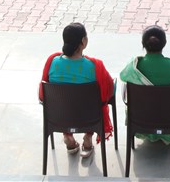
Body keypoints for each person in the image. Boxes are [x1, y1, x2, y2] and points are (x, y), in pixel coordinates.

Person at [39, 23, 114, 158]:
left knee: (65, 103)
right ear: (83, 42)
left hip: (60, 118)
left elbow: (42, 96)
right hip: (89, 118)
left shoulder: (52, 62)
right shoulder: (95, 66)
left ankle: (68, 137)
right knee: (93, 104)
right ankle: (88, 137)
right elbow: (108, 92)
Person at [119, 25, 170, 145]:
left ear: (143, 43)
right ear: (164, 43)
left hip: (142, 118)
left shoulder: (134, 66)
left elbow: (123, 77)